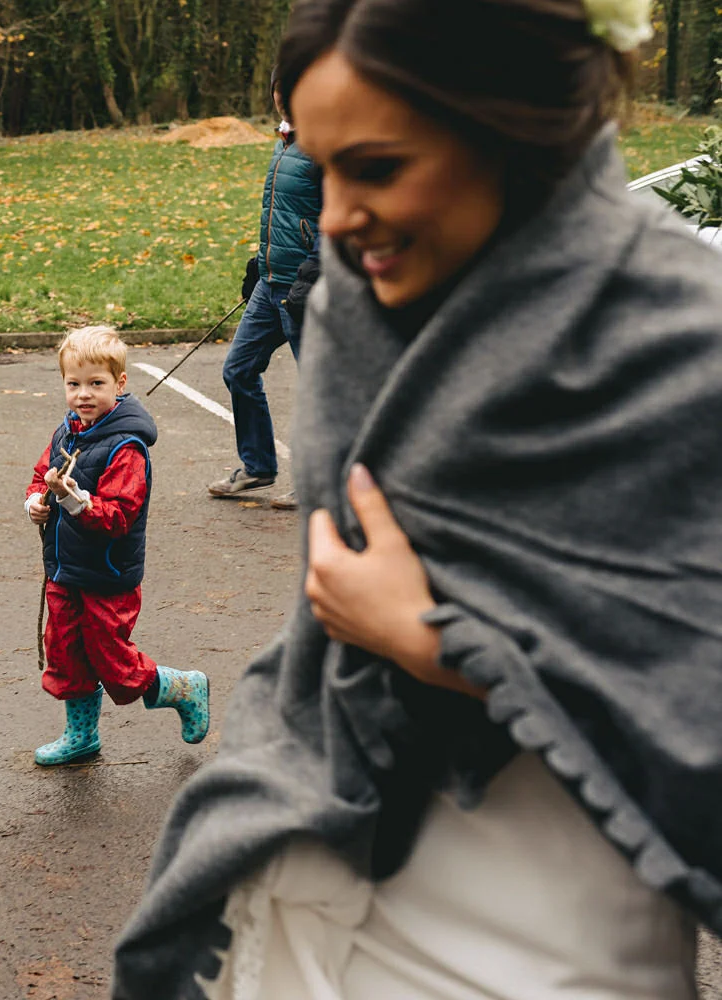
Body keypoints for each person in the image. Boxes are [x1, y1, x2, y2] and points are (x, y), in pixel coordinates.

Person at [113, 1, 722, 997]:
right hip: (315, 876)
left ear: (509, 126)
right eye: (320, 166)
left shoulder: (683, 346)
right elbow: (319, 632)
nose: (336, 217)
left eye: (376, 166)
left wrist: (437, 644)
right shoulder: (361, 294)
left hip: (554, 927)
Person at [24, 326, 210, 766]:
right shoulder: (67, 431)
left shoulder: (127, 448)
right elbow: (41, 473)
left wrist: (72, 500)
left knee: (112, 661)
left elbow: (119, 516)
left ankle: (183, 687)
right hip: (65, 569)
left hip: (108, 574)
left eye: (96, 384)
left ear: (120, 384)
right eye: (73, 384)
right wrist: (37, 499)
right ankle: (82, 735)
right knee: (67, 652)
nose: (83, 395)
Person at [208, 80, 322, 510]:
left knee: (317, 389)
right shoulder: (284, 140)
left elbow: (333, 222)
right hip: (271, 284)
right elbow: (282, 215)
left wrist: (311, 278)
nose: (285, 93)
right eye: (280, 86)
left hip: (305, 291)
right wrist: (259, 265)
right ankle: (258, 466)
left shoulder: (324, 144)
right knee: (238, 370)